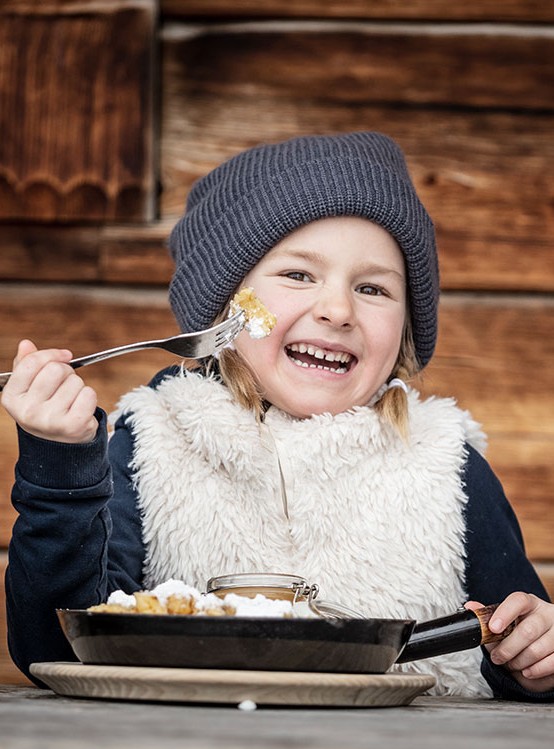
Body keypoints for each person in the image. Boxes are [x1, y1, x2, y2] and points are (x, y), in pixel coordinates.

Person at [2, 132, 553, 700]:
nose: (337, 309)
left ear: (405, 328)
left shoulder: (446, 464)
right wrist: (60, 467)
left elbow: (519, 646)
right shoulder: (151, 445)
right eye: (298, 275)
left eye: (372, 288)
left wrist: (535, 658)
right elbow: (59, 647)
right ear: (221, 312)